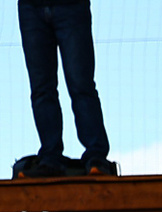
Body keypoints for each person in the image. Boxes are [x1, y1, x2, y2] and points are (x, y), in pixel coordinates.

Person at [18, 0, 111, 176]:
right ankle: (51, 157)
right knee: (42, 88)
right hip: (31, 7)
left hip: (71, 6)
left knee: (80, 85)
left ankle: (95, 156)